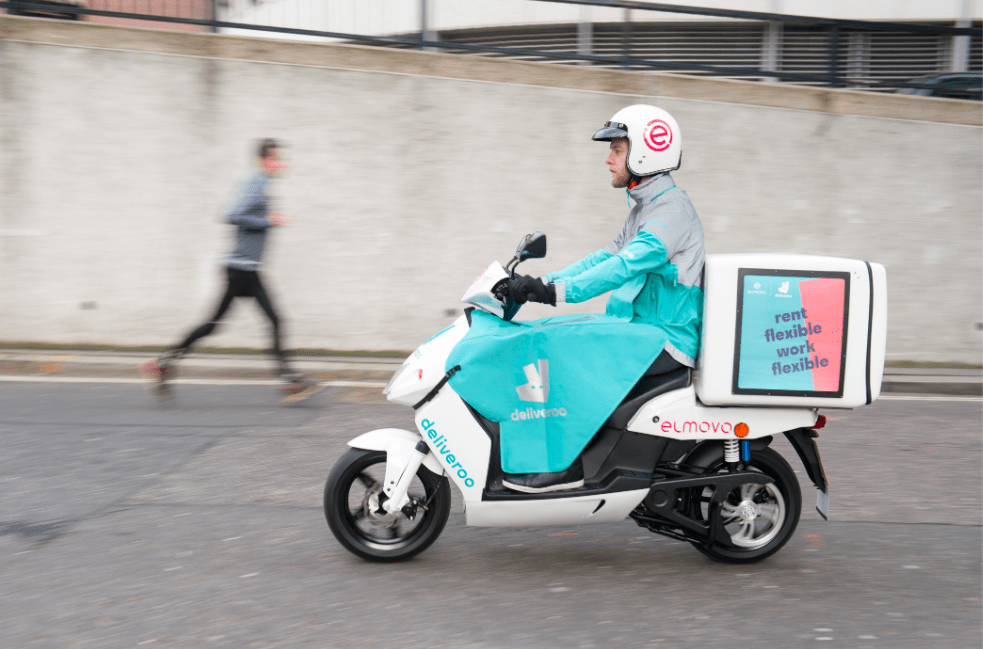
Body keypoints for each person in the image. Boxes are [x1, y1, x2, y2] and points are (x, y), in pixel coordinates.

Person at [502, 105, 706, 493]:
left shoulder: (671, 213)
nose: (608, 158)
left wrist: (556, 292)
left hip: (666, 341)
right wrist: (540, 283)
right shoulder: (647, 208)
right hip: (640, 332)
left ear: (646, 152)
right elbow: (603, 258)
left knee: (566, 357)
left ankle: (565, 466)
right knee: (547, 335)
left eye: (617, 149)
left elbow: (624, 266)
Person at [139, 139, 319, 402]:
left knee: (230, 324)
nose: (282, 163)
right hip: (240, 271)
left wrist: (266, 222)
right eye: (276, 159)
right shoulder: (255, 184)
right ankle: (290, 380)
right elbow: (231, 214)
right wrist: (268, 221)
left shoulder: (262, 185)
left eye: (281, 159)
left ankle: (164, 362)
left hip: (247, 270)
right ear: (264, 161)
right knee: (236, 323)